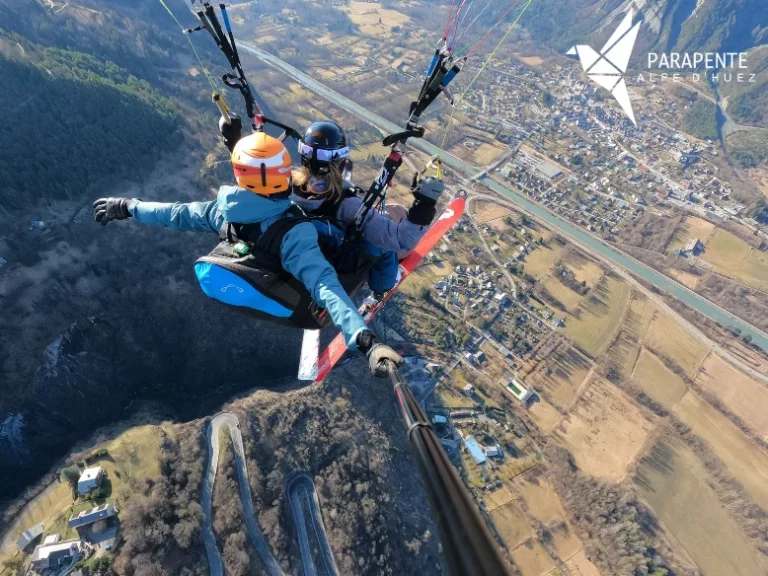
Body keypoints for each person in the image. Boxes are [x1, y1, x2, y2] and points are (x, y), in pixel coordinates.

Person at [93, 131, 402, 378]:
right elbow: (327, 288)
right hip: (305, 309)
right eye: (285, 170)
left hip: (266, 292)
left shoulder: (221, 212)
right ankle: (383, 284)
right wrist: (367, 343)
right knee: (381, 244)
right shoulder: (294, 232)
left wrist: (128, 207)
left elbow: (175, 214)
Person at [291, 120, 445, 298]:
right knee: (386, 239)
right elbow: (402, 240)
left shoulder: (287, 186)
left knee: (394, 211)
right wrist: (424, 205)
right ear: (340, 160)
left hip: (309, 253)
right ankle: (384, 284)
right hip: (342, 261)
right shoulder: (347, 205)